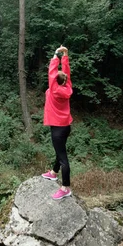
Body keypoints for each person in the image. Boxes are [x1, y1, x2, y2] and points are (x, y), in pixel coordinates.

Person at [41, 45, 73, 200]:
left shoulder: (53, 89)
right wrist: (64, 56)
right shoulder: (67, 86)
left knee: (63, 157)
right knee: (59, 152)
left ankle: (66, 187)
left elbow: (52, 70)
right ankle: (53, 173)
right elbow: (65, 72)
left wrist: (56, 54)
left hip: (58, 129)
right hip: (66, 126)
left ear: (55, 81)